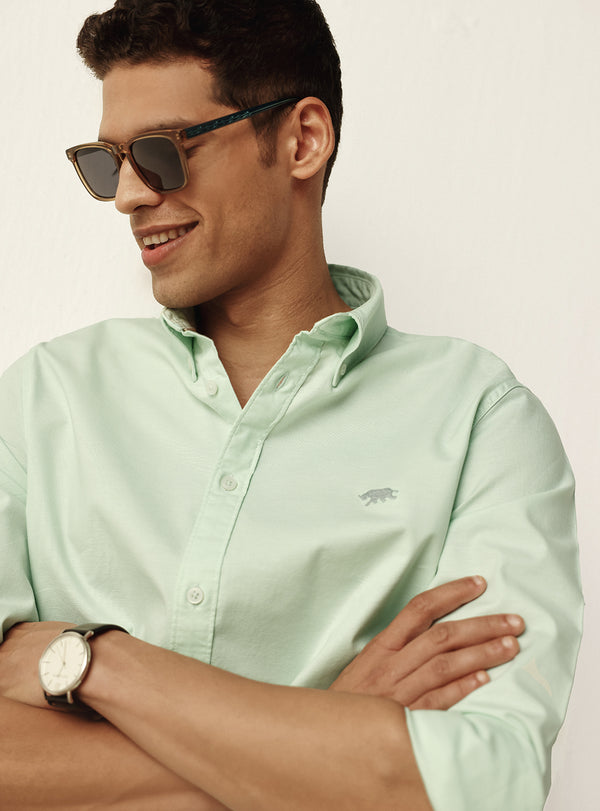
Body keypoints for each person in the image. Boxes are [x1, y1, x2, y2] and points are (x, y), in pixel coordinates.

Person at [0, 1, 582, 809]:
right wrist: (328, 727)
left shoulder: (480, 420)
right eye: (108, 163)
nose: (128, 195)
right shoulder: (42, 401)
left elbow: (486, 780)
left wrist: (99, 662)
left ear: (302, 140)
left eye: (162, 153)